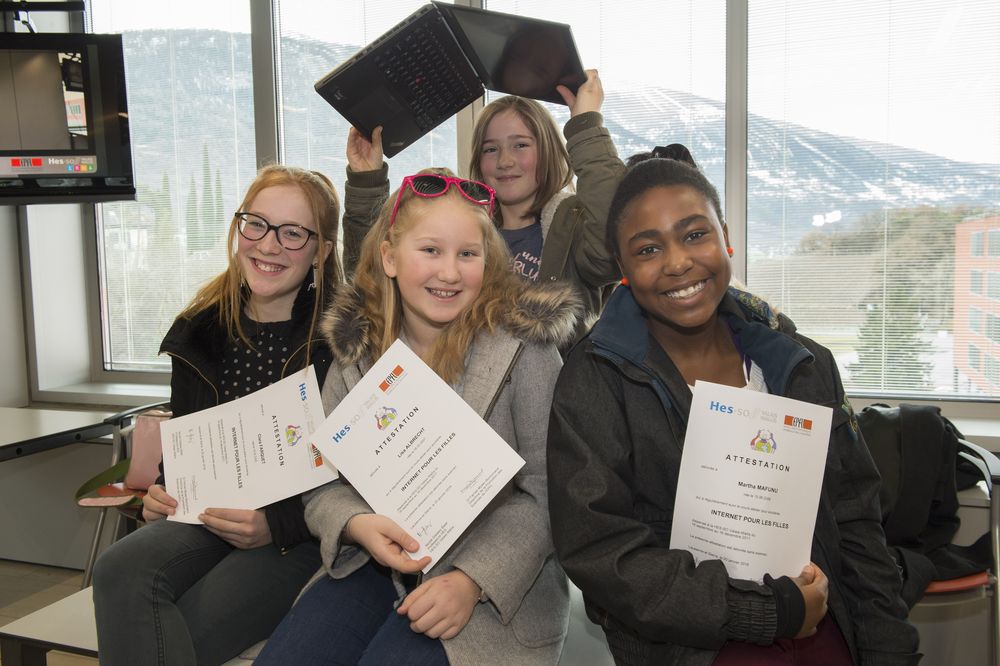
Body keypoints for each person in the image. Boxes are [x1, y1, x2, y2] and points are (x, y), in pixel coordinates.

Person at [546, 156, 920, 665]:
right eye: (649, 248)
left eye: (695, 234)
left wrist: (887, 648)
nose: (677, 262)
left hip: (825, 627)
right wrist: (763, 611)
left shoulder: (801, 363)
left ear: (725, 236)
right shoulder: (595, 378)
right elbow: (601, 551)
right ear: (622, 267)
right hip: (694, 650)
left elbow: (855, 518)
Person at [255, 169, 580, 665]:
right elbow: (321, 484)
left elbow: (550, 492)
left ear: (487, 261)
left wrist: (472, 581)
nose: (449, 273)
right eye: (430, 250)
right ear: (389, 256)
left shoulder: (525, 350)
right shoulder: (356, 353)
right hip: (375, 564)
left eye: (467, 254)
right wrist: (357, 523)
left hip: (493, 584)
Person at [92, 165, 344, 666]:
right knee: (118, 568)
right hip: (204, 517)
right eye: (257, 224)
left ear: (323, 251)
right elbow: (186, 442)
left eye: (293, 233)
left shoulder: (340, 338)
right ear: (238, 228)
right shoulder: (199, 331)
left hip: (293, 537)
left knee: (181, 628)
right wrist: (161, 493)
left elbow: (357, 471)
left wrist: (278, 523)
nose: (269, 246)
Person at [342, 68, 624, 346]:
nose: (505, 161)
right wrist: (367, 180)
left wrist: (585, 125)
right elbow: (372, 277)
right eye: (491, 149)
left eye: (521, 145)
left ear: (548, 149)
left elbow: (610, 246)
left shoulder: (571, 226)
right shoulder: (459, 227)